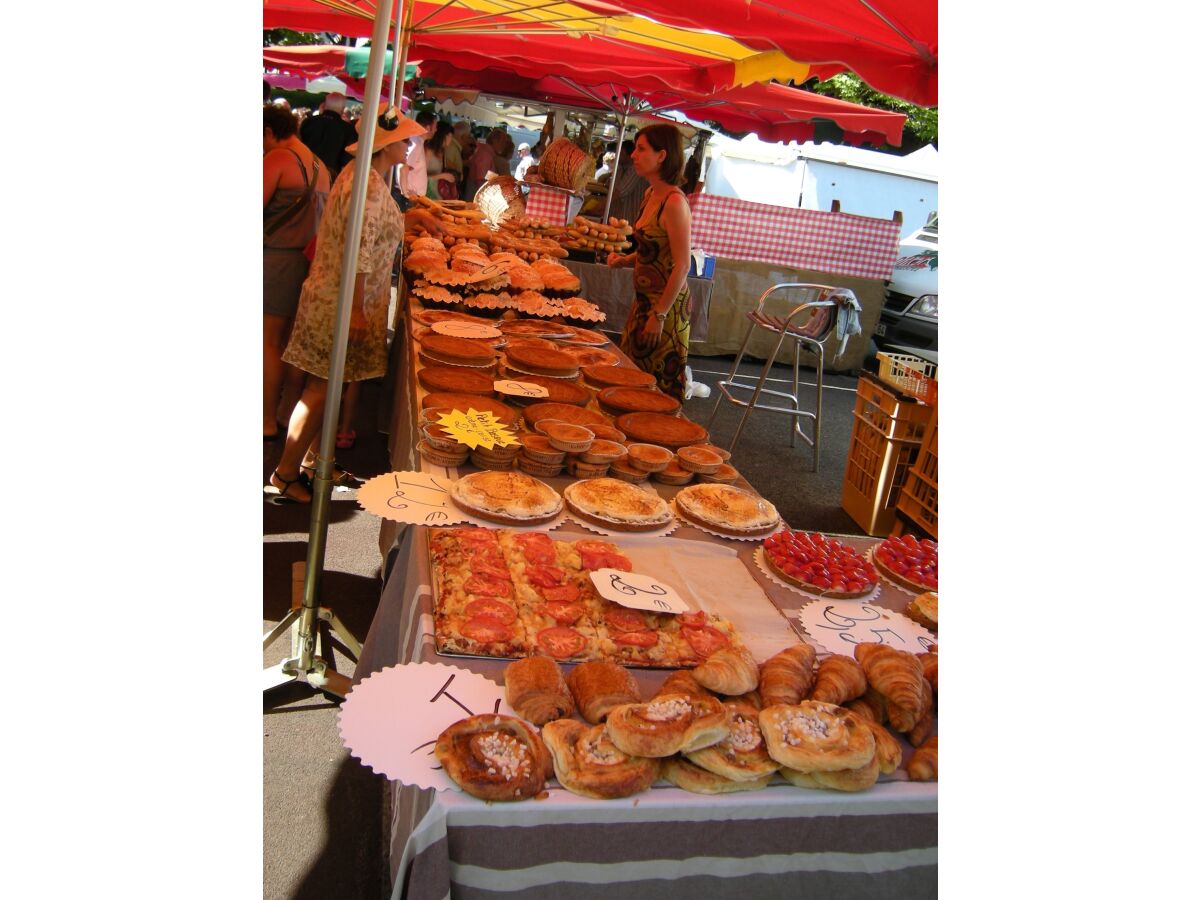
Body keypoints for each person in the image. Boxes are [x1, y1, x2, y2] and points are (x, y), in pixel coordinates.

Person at [268, 105, 445, 502]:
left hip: (347, 300)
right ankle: (284, 473)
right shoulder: (363, 184)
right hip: (340, 302)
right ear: (384, 144)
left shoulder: (370, 177)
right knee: (320, 389)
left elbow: (377, 229)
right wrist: (356, 312)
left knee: (328, 389)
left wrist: (412, 222)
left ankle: (314, 461)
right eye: (404, 139)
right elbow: (359, 253)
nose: (411, 144)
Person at [606, 124, 692, 400]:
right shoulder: (649, 195)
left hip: (664, 308)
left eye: (641, 149)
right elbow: (652, 252)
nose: (633, 155)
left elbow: (682, 265)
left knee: (656, 391)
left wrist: (659, 315)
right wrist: (624, 261)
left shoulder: (675, 202)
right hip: (643, 303)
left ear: (662, 155)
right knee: (630, 375)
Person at [263, 104, 331, 440]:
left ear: (269, 132)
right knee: (287, 341)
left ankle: (262, 418)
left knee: (267, 342)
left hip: (276, 259)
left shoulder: (278, 158)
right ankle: (281, 411)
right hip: (305, 262)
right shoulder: (321, 166)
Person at [300, 92, 357, 181]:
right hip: (329, 179)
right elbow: (346, 162)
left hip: (303, 174)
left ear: (324, 105)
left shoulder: (308, 122)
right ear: (342, 109)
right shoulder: (348, 130)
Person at [604, 140, 650, 226]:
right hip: (616, 216)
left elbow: (621, 191)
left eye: (621, 153)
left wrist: (602, 206)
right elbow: (609, 186)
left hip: (630, 219)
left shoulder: (636, 169)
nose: (617, 155)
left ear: (629, 155)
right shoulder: (620, 167)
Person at [463, 128, 506, 200]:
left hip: (476, 195)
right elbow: (480, 179)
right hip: (475, 197)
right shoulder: (485, 154)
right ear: (495, 140)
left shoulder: (487, 153)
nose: (504, 145)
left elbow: (485, 176)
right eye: (503, 141)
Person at [403, 110, 437, 197]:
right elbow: (404, 167)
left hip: (413, 196)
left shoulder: (418, 142)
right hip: (410, 197)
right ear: (428, 128)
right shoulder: (416, 143)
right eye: (435, 127)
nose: (436, 130)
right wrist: (406, 192)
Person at [425, 121, 459, 199]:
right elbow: (421, 176)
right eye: (450, 135)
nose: (451, 139)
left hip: (439, 194)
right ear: (442, 135)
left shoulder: (442, 152)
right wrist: (442, 176)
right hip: (428, 194)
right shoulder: (429, 151)